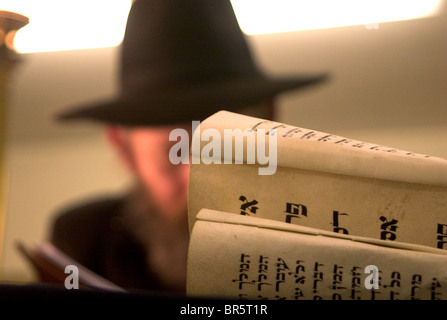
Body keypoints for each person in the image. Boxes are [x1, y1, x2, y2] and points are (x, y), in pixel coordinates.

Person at [48, 0, 327, 293]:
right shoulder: (81, 245)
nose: (200, 175)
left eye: (225, 149)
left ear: (269, 124)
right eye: (173, 153)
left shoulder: (329, 235)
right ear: (123, 147)